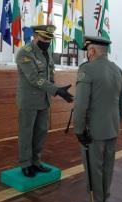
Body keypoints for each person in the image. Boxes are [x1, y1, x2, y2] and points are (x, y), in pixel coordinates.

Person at [73, 36, 122, 202]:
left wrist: (79, 130)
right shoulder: (117, 70)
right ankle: (103, 201)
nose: (87, 54)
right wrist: (115, 122)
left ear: (92, 51)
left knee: (93, 168)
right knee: (107, 167)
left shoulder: (87, 70)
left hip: (92, 131)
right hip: (112, 129)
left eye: (88, 50)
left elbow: (81, 104)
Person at [16, 25, 74, 177]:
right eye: (44, 38)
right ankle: (25, 164)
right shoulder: (25, 53)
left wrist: (56, 88)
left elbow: (50, 74)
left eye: (49, 39)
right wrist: (57, 90)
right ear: (34, 36)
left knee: (41, 131)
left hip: (44, 99)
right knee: (26, 133)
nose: (47, 42)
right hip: (29, 100)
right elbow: (34, 78)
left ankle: (36, 161)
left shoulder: (46, 52)